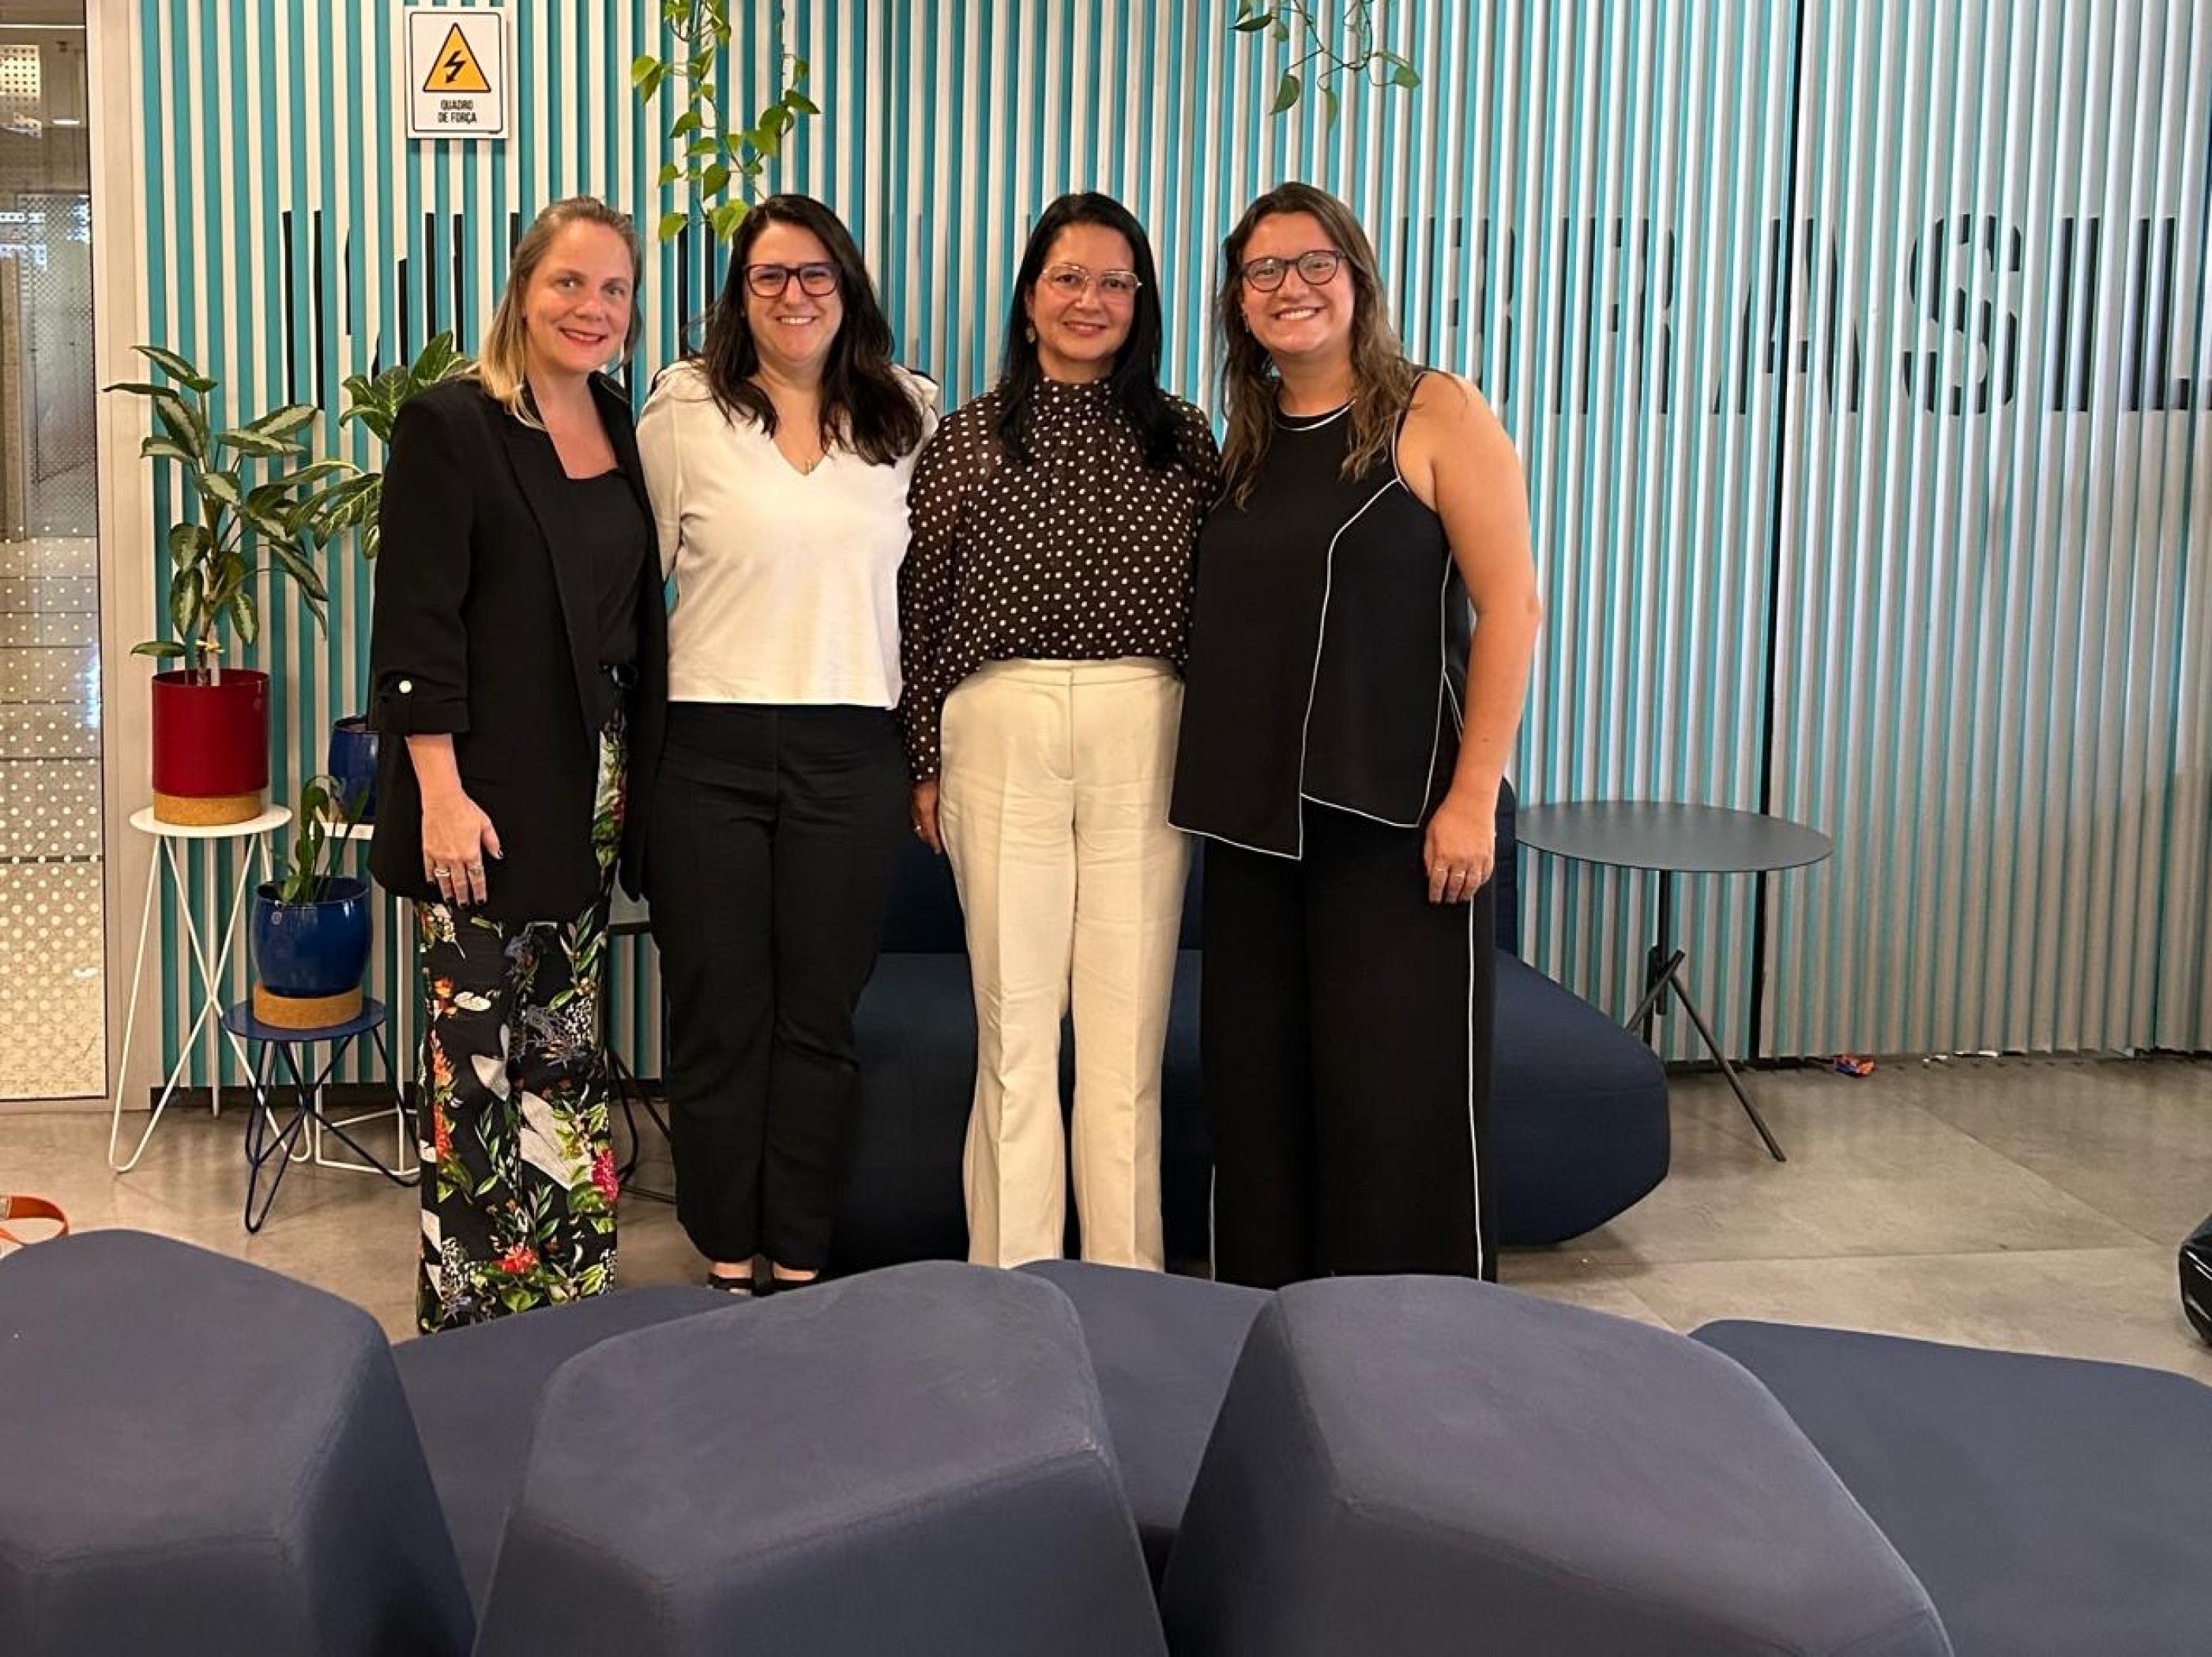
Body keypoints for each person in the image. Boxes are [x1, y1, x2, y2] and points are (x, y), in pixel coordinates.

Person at [1170, 181, 1541, 1290]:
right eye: (1264, 271)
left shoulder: (1436, 412)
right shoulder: (1242, 443)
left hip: (1398, 824)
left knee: (1395, 1104)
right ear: (1239, 302)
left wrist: (1473, 798)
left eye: (1314, 263)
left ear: (1358, 280)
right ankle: (1271, 1324)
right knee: (1260, 1103)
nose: (1290, 287)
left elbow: (1512, 607)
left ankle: (1411, 1347)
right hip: (1254, 833)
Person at [899, 192, 1221, 1271]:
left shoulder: (1185, 436)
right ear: (1030, 297)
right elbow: (921, 604)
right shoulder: (967, 437)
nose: (1092, 300)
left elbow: (1221, 606)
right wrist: (923, 760)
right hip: (999, 725)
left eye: (1116, 282)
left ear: (1143, 302)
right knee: (1017, 1035)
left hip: (1146, 725)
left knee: (1126, 1044)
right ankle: (1013, 1292)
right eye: (1068, 278)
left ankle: (1129, 1290)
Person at [368, 196, 664, 1332]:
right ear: (523, 291)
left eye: (614, 289)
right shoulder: (454, 423)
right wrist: (438, 793)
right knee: (477, 1067)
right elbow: (417, 623)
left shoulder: (617, 420)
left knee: (564, 1051)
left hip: (585, 793)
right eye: (569, 283)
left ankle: (567, 1294)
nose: (593, 308)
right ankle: (471, 1321)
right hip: (479, 799)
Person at [638, 195, 937, 1294]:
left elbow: (926, 598)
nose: (794, 294)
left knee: (818, 1017)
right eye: (769, 275)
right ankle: (726, 1251)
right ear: (740, 294)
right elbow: (632, 587)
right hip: (707, 748)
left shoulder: (909, 412)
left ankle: (801, 1254)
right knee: (720, 1012)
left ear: (847, 286)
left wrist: (928, 755)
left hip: (854, 749)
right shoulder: (686, 409)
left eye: (816, 273)